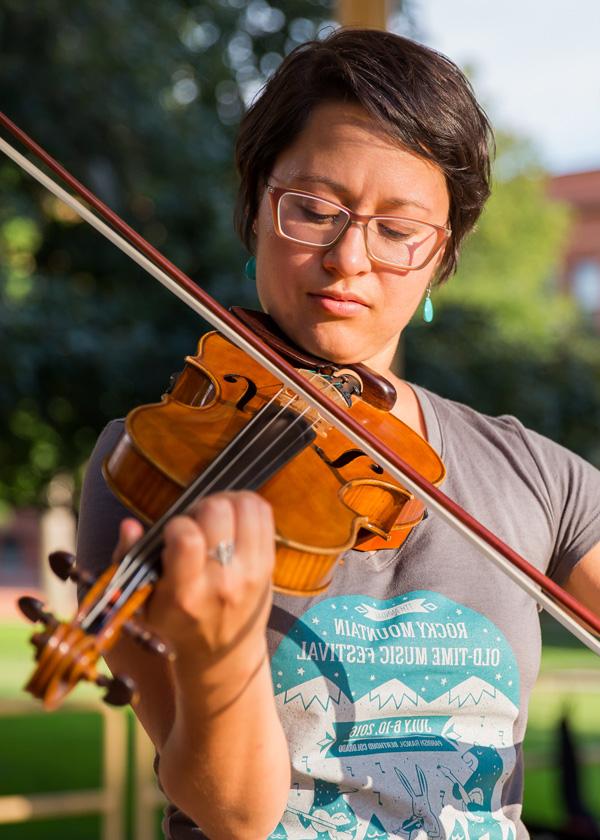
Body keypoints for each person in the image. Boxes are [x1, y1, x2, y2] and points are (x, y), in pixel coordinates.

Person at [76, 28, 600, 840]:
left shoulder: (539, 478)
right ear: (254, 209)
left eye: (399, 232)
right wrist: (219, 660)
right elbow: (236, 814)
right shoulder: (154, 463)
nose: (348, 257)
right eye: (314, 211)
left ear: (443, 257)